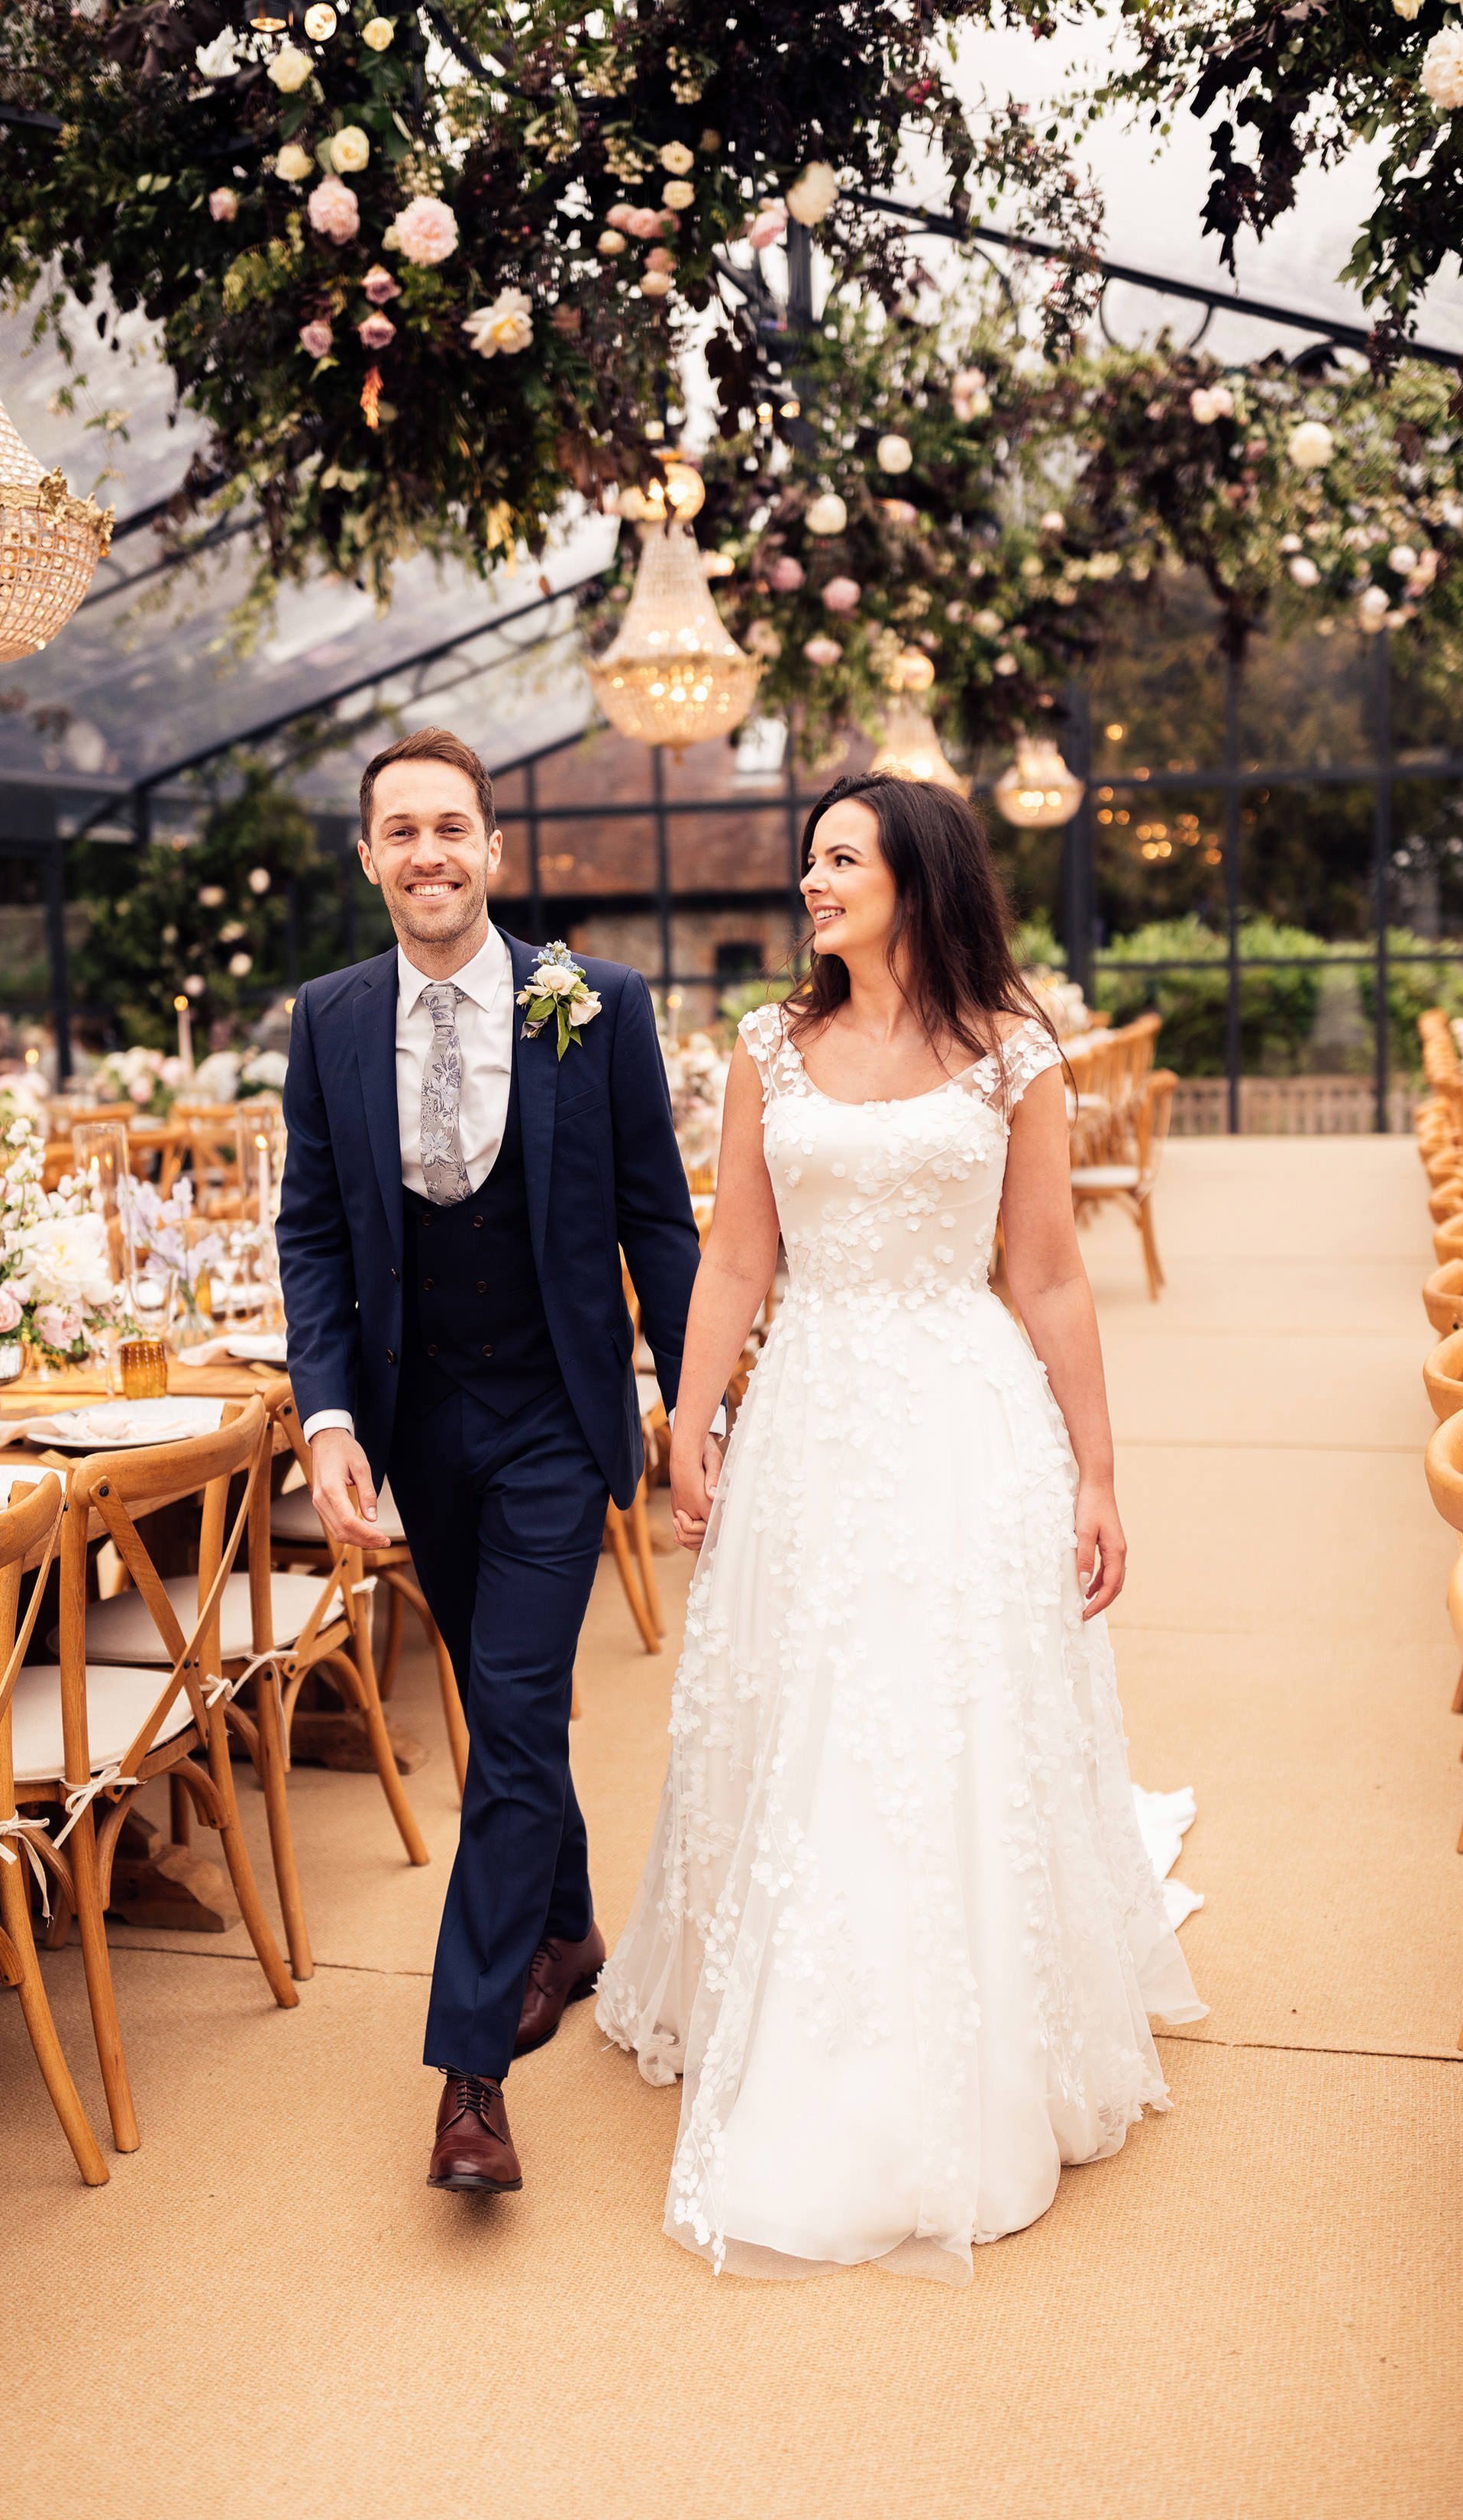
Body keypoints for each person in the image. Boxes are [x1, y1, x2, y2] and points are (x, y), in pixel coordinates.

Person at [596, 771, 1205, 2283]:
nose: (810, 882)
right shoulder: (767, 1049)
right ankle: (792, 1992)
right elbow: (732, 1257)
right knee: (804, 1702)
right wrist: (687, 1415)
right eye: (808, 858)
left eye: (840, 858)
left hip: (962, 1414)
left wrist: (1096, 1473)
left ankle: (966, 2025)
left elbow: (1051, 1277)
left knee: (942, 1711)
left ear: (915, 877)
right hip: (805, 1411)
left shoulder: (1009, 1053)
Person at [277, 728, 702, 2196]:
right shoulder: (327, 1019)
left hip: (546, 1421)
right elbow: (315, 1234)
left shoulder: (598, 1003)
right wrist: (327, 1418)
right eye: (400, 832)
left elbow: (660, 1218)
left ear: (495, 852)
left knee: (510, 1719)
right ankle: (569, 1928)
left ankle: (470, 2077)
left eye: (452, 827)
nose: (430, 854)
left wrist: (697, 1400)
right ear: (369, 857)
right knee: (502, 1707)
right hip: (411, 1428)